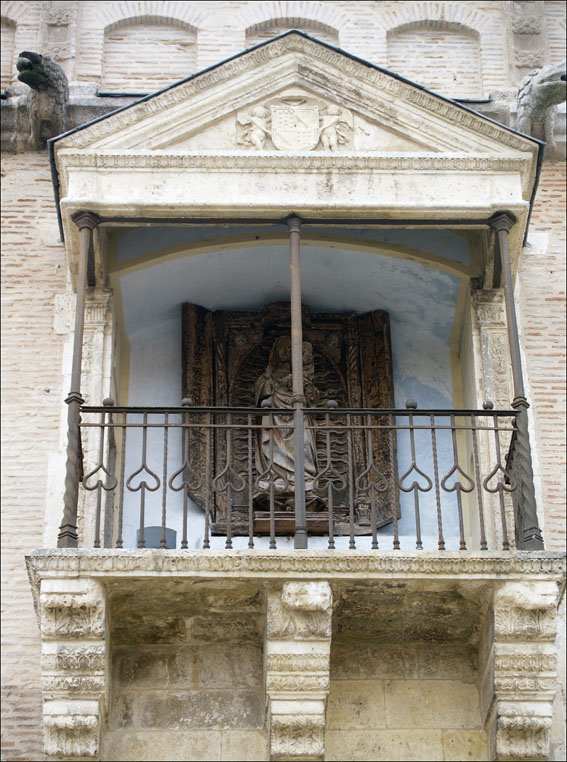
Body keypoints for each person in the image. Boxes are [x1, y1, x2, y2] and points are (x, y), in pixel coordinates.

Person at [255, 336, 319, 500]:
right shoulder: (267, 377)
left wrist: (301, 384)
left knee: (303, 443)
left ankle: (305, 480)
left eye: (291, 349)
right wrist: (275, 385)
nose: (287, 352)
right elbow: (261, 392)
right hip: (276, 416)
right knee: (274, 447)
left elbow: (313, 398)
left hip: (298, 417)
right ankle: (278, 478)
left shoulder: (303, 376)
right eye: (284, 348)